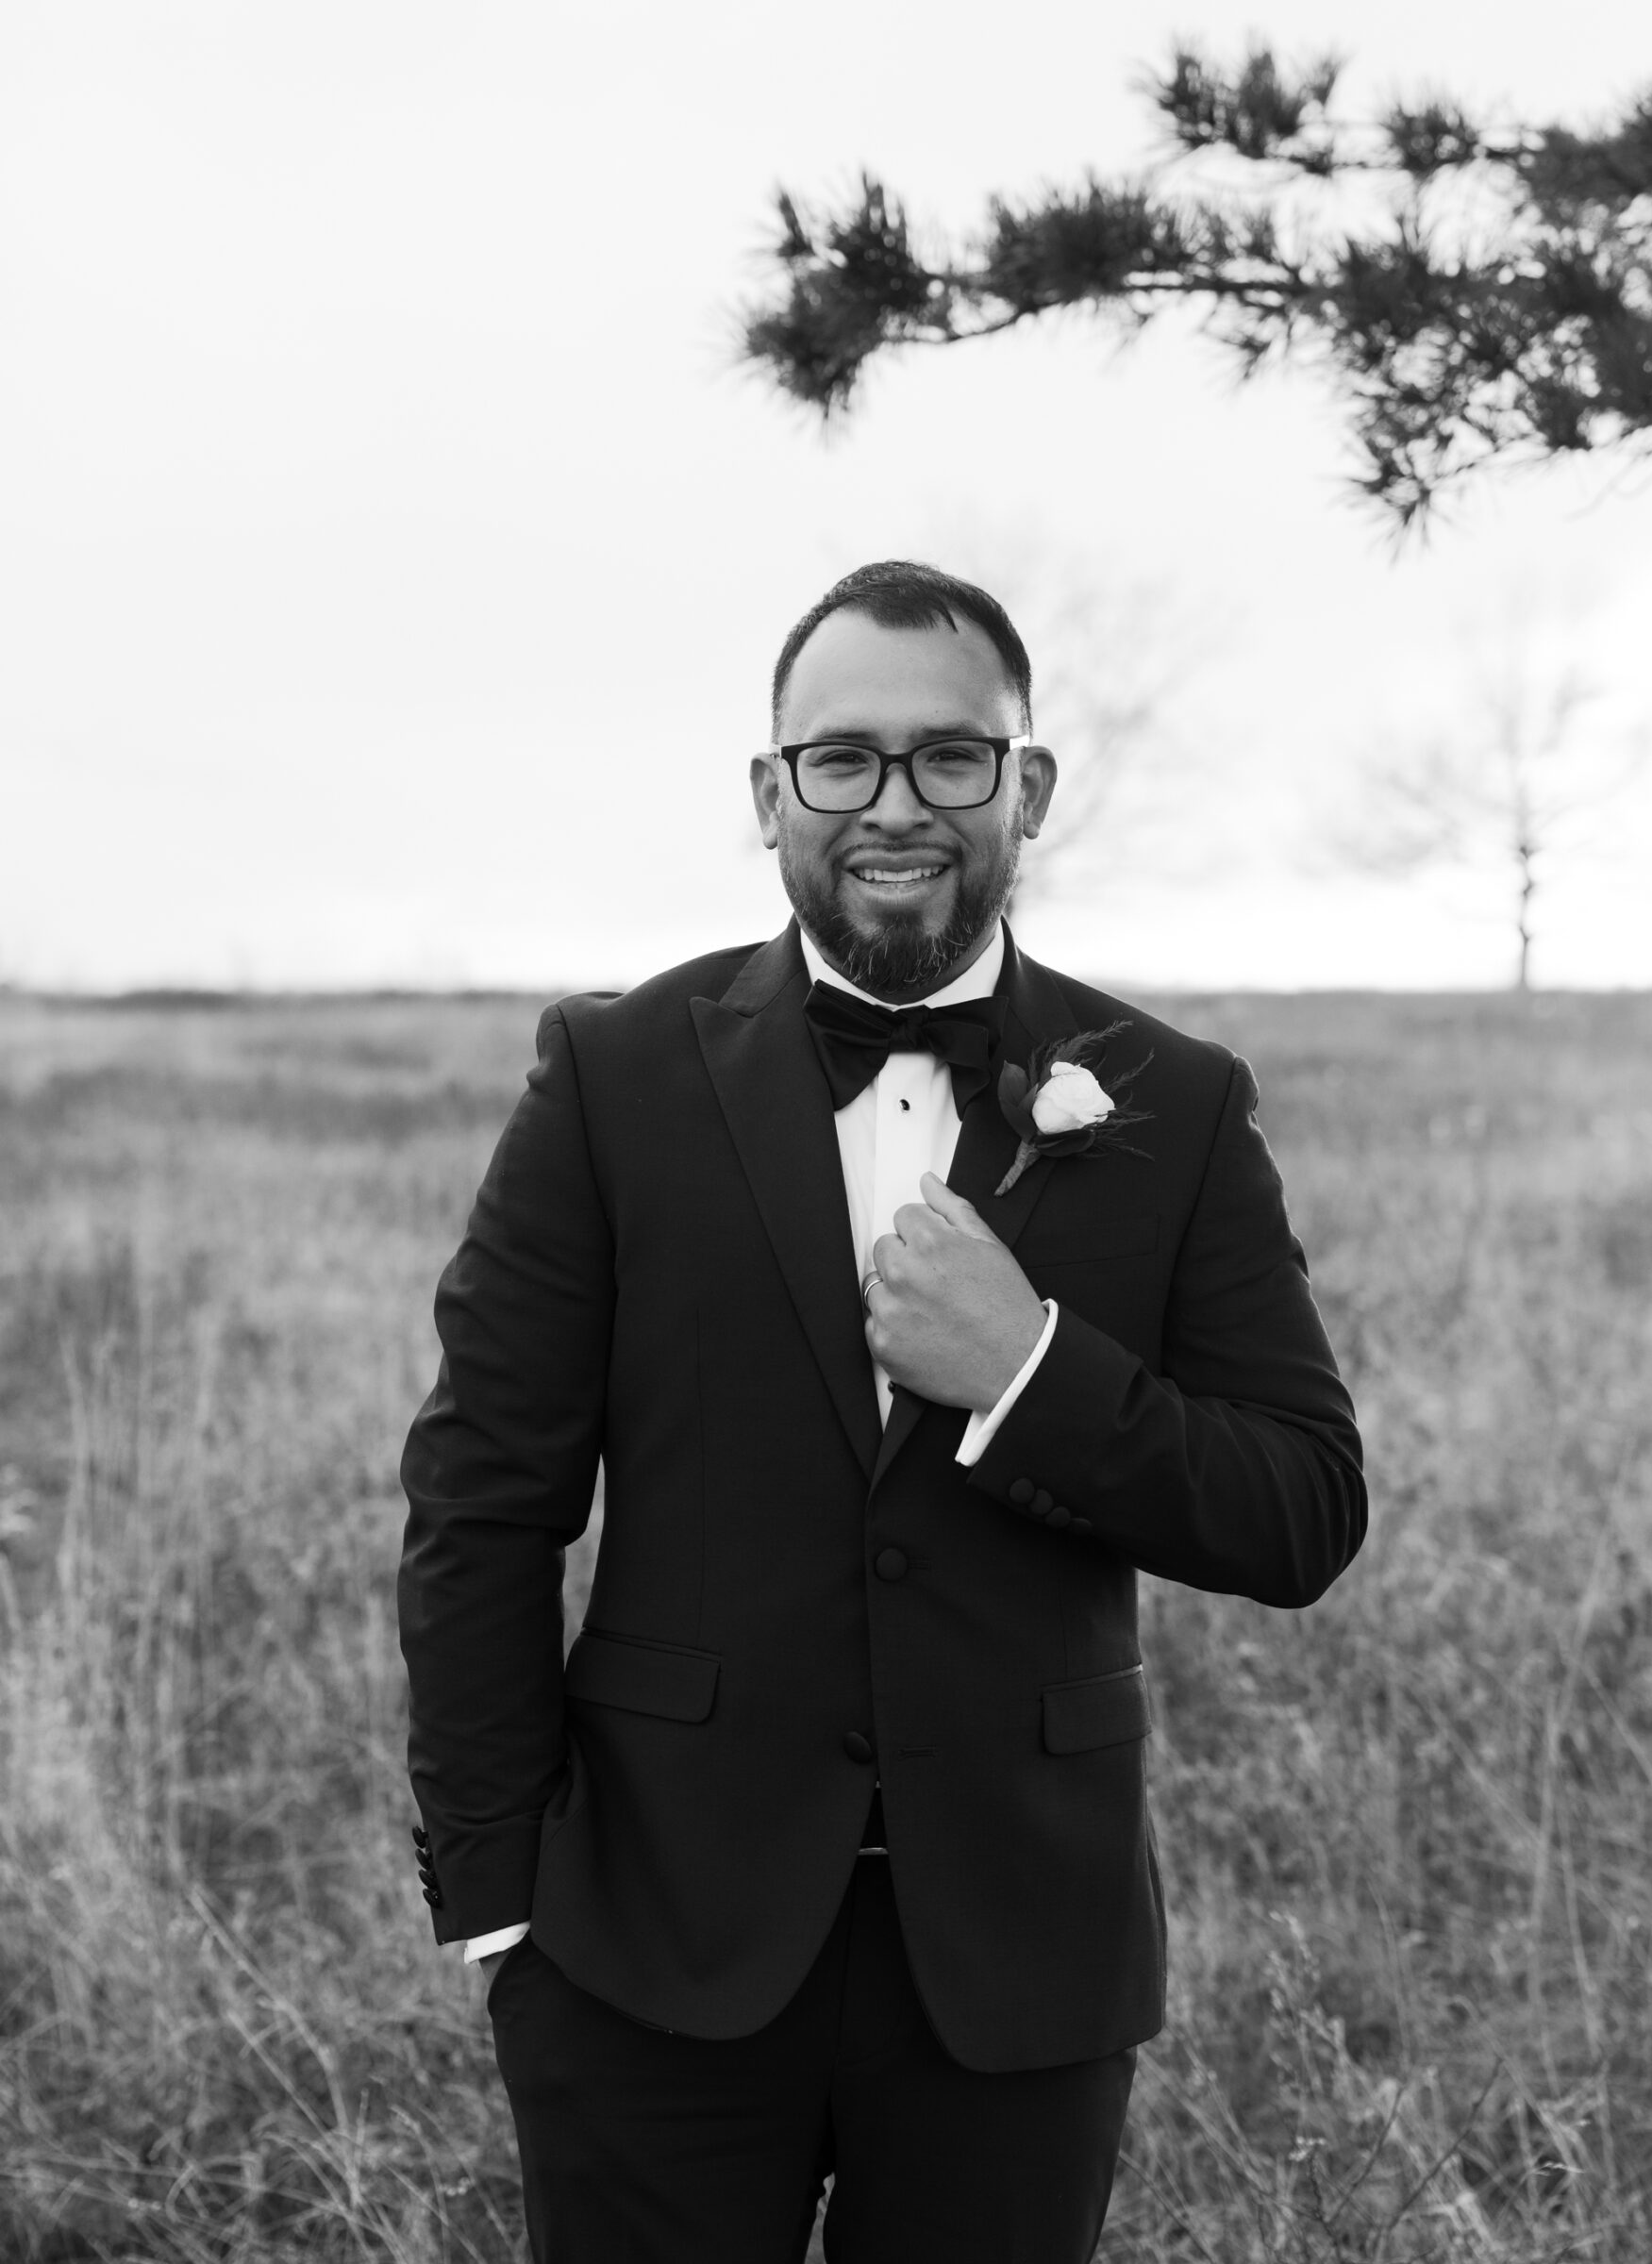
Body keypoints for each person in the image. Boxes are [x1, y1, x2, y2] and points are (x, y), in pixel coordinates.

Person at [397, 560, 1367, 2263]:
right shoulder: (612, 1077)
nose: (894, 805)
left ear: (1029, 785)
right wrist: (497, 1903)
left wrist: (1027, 1373)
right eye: (841, 760)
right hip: (646, 1949)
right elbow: (482, 1502)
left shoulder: (1174, 1103)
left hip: (1019, 1963)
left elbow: (1299, 1511)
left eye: (949, 758)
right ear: (770, 793)